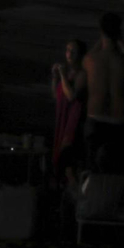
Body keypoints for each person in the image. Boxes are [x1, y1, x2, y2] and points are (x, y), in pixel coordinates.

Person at [82, 12, 124, 173]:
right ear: (119, 31)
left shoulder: (90, 59)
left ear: (100, 30)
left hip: (95, 117)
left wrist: (102, 37)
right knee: (121, 170)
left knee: (93, 170)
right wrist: (120, 40)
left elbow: (88, 56)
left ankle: (93, 196)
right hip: (120, 119)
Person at [50, 38, 88, 187]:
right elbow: (57, 95)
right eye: (67, 50)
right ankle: (66, 192)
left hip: (74, 121)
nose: (69, 54)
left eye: (73, 51)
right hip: (63, 119)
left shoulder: (82, 74)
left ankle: (76, 195)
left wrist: (62, 75)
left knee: (68, 160)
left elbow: (71, 95)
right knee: (63, 162)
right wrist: (55, 78)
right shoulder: (68, 72)